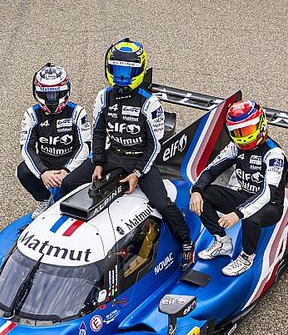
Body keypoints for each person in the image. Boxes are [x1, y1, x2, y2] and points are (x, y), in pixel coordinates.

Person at [60, 39, 194, 270]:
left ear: (138, 71)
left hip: (141, 159)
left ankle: (186, 243)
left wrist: (137, 173)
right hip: (113, 155)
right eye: (118, 70)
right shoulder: (103, 96)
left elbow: (154, 146)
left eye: (128, 71)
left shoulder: (151, 104)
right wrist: (98, 162)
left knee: (162, 204)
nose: (122, 76)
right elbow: (99, 130)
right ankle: (58, 234)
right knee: (69, 182)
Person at [189, 99, 285, 277]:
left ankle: (247, 256)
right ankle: (222, 241)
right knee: (205, 194)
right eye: (237, 132)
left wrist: (238, 213)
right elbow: (211, 170)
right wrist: (196, 190)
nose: (243, 136)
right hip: (244, 197)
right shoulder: (235, 147)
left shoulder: (274, 154)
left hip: (270, 205)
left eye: (246, 130)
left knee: (251, 218)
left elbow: (267, 193)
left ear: (261, 124)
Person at [18, 63, 91, 218]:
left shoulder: (78, 112)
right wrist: (43, 172)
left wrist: (67, 171)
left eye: (57, 93)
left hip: (71, 161)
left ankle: (73, 204)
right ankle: (45, 199)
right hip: (47, 162)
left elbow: (85, 146)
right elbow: (26, 148)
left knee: (71, 183)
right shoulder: (31, 114)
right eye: (47, 94)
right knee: (22, 171)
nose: (52, 99)